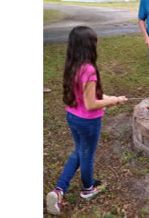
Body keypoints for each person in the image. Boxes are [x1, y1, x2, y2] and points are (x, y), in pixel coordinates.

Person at [46, 26, 127, 215]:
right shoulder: (89, 69)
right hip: (88, 121)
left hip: (72, 116)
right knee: (87, 155)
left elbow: (89, 96)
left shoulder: (73, 65)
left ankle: (59, 190)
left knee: (79, 151)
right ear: (89, 45)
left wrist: (111, 98)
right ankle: (87, 188)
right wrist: (114, 101)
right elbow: (91, 104)